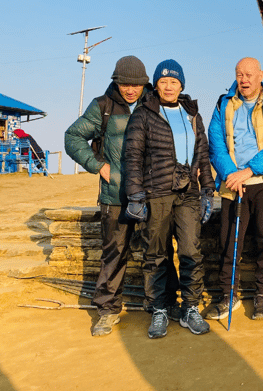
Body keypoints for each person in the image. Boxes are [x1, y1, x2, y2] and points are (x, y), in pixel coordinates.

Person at [64, 56, 179, 337]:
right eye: (125, 84)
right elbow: (72, 136)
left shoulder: (154, 104)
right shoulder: (102, 106)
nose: (131, 90)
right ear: (116, 82)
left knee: (159, 251)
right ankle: (107, 310)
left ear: (145, 84)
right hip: (115, 196)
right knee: (114, 253)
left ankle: (164, 304)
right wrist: (97, 165)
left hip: (151, 193)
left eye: (137, 85)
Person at [124, 59, 214, 339]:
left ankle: (189, 308)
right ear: (156, 84)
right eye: (163, 81)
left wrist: (208, 190)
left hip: (188, 192)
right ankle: (160, 308)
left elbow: (202, 154)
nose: (168, 86)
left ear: (181, 85)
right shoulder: (144, 113)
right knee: (156, 254)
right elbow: (133, 156)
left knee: (191, 251)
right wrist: (136, 194)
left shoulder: (192, 114)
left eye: (174, 82)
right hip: (157, 193)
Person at [206, 57, 263, 321]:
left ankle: (262, 296)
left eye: (249, 74)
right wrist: (232, 174)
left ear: (260, 75)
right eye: (239, 74)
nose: (244, 79)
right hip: (235, 186)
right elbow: (216, 142)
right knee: (230, 243)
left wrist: (249, 170)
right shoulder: (224, 104)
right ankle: (227, 296)